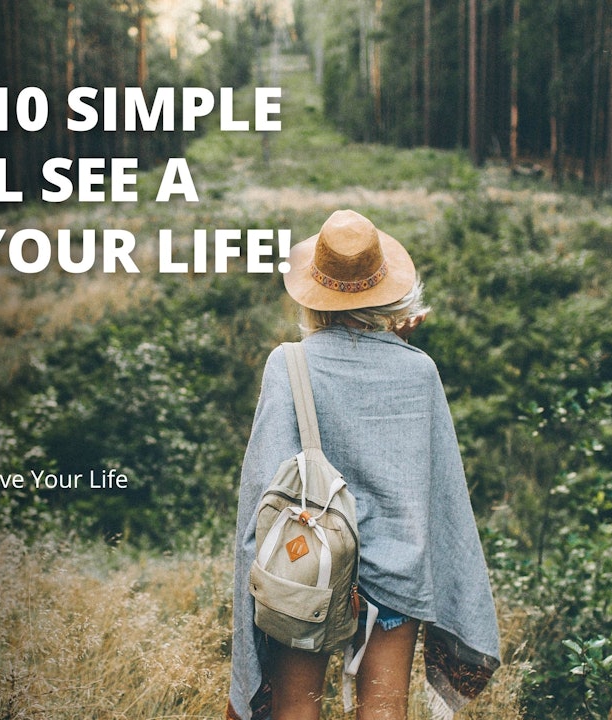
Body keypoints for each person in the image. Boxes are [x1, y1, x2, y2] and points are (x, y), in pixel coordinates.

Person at [228, 210, 501, 720]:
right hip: (397, 572)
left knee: (296, 712)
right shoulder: (419, 371)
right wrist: (396, 345)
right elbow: (439, 491)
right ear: (388, 291)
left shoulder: (288, 365)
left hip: (306, 565)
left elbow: (262, 491)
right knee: (383, 713)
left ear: (314, 292)